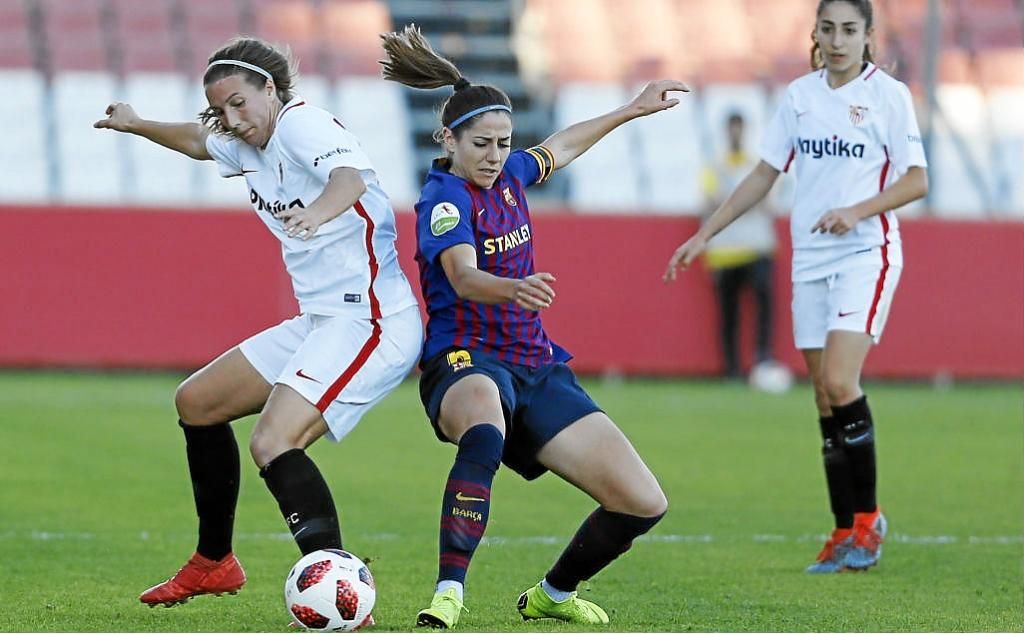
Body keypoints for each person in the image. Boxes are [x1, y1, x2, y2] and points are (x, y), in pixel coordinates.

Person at [94, 37, 422, 608]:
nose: (231, 119)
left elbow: (350, 179)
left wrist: (314, 213)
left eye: (239, 103)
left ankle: (341, 597)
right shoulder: (247, 140)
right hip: (322, 319)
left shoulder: (301, 126)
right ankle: (213, 563)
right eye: (222, 109)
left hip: (372, 319)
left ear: (270, 89)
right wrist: (138, 124)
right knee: (197, 402)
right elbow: (200, 142)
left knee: (274, 441)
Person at [378, 25, 686, 628]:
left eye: (502, 144)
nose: (494, 156)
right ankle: (448, 593)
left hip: (535, 363)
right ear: (449, 139)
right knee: (485, 430)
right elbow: (463, 277)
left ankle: (553, 594)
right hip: (465, 358)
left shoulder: (512, 174)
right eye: (482, 145)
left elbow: (562, 147)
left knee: (643, 502)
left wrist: (631, 109)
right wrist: (511, 288)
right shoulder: (444, 199)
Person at [665, 0, 927, 574]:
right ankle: (842, 529)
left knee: (840, 380)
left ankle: (869, 522)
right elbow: (763, 174)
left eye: (849, 30)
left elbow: (916, 180)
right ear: (815, 33)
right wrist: (706, 234)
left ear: (868, 36)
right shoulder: (799, 97)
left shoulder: (890, 96)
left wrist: (857, 210)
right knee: (821, 395)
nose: (837, 40)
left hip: (865, 251)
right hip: (809, 259)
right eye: (828, 28)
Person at [700, 112, 777, 378]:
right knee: (729, 313)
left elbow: (767, 202)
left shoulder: (755, 165)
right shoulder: (716, 165)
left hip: (756, 247)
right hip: (725, 251)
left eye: (739, 128)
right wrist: (746, 201)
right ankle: (731, 368)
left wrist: (731, 201)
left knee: (764, 308)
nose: (735, 133)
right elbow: (709, 202)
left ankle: (763, 360)